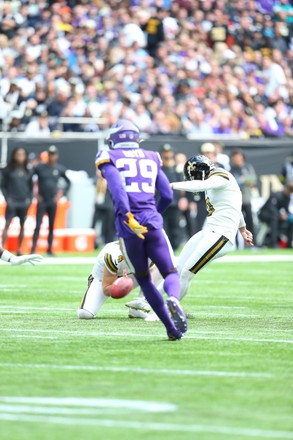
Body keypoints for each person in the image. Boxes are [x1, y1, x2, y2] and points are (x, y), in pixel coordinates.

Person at [95, 119, 186, 340]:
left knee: (144, 280)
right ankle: (173, 298)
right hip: (152, 221)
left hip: (130, 226)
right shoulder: (152, 156)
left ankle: (171, 329)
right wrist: (154, 213)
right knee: (170, 273)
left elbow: (117, 190)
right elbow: (167, 195)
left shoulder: (109, 156)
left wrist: (127, 216)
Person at [169, 155, 253, 299]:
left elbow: (200, 185)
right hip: (210, 231)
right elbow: (233, 205)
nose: (194, 179)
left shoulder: (221, 175)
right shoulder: (216, 180)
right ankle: (146, 302)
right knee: (177, 269)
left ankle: (169, 311)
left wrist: (171, 185)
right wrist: (242, 228)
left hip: (221, 235)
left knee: (186, 274)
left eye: (194, 176)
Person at [77, 240, 160, 320]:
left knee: (161, 267)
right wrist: (120, 287)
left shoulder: (150, 251)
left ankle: (140, 304)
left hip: (131, 275)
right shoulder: (113, 253)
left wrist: (146, 292)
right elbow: (106, 288)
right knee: (85, 314)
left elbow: (151, 273)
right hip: (103, 280)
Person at [31, 145, 71, 256]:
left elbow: (68, 182)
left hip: (53, 201)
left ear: (56, 156)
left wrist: (61, 194)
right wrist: (35, 194)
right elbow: (29, 179)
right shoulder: (39, 168)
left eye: (54, 154)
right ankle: (33, 248)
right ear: (47, 155)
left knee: (52, 225)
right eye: (50, 154)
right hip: (42, 200)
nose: (52, 157)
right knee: (38, 224)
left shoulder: (59, 168)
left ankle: (49, 249)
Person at [1, 147, 33, 255]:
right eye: (18, 154)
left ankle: (19, 249)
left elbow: (31, 187)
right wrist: (7, 199)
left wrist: (29, 199)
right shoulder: (8, 170)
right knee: (7, 224)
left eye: (22, 154)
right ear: (14, 156)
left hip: (23, 202)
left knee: (22, 225)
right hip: (12, 201)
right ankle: (3, 249)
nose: (20, 157)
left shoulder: (28, 170)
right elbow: (3, 186)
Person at [230, 149, 257, 240]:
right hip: (235, 200)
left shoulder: (247, 167)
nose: (236, 159)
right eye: (235, 157)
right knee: (236, 222)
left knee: (249, 221)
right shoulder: (231, 169)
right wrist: (242, 180)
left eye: (238, 157)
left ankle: (253, 242)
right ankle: (237, 244)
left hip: (246, 198)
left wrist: (243, 180)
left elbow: (253, 180)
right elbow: (231, 182)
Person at [160, 144, 182, 250]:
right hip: (161, 201)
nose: (167, 154)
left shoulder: (177, 168)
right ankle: (163, 246)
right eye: (165, 152)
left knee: (175, 226)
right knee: (162, 226)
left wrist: (183, 198)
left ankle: (174, 247)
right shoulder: (159, 167)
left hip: (174, 201)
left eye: (169, 152)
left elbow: (182, 183)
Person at [258, 181, 293, 248]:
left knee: (291, 220)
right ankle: (273, 243)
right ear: (285, 188)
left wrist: (287, 215)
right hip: (264, 214)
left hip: (276, 215)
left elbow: (286, 210)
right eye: (289, 189)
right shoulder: (277, 195)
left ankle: (289, 244)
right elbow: (271, 208)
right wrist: (281, 215)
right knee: (275, 217)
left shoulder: (287, 198)